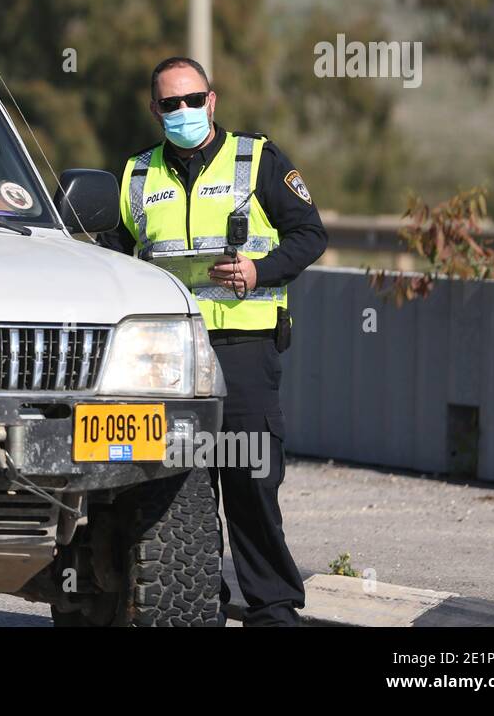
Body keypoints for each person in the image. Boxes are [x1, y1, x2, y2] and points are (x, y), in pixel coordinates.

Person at [102, 55, 327, 626]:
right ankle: (199, 599)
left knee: (251, 481)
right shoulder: (135, 175)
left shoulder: (257, 160)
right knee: (175, 487)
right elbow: (111, 256)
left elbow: (310, 234)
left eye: (192, 100)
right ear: (154, 109)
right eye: (171, 103)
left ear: (212, 99)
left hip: (243, 348)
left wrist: (259, 271)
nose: (183, 112)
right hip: (167, 357)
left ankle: (274, 607)